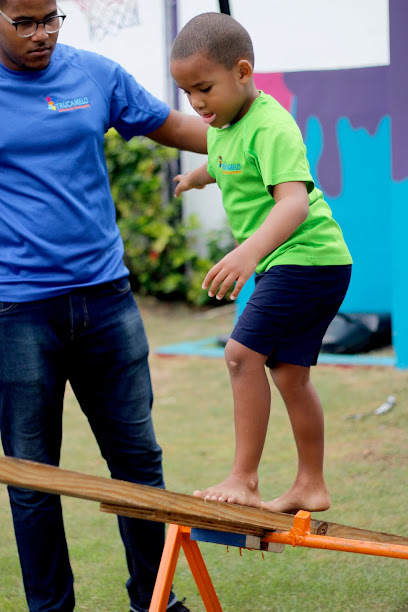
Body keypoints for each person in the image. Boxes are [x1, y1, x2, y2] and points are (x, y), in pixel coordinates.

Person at [0, 1, 208, 611]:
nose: (41, 34)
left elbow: (175, 125)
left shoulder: (94, 74)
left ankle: (154, 598)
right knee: (33, 479)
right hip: (18, 312)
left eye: (51, 18)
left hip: (106, 301)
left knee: (139, 463)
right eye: (24, 22)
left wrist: (256, 136)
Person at [171, 12, 352, 515]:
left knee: (239, 354)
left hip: (307, 258)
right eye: (186, 93)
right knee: (290, 376)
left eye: (204, 88)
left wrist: (249, 252)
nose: (196, 103)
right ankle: (310, 486)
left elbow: (293, 203)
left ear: (243, 71)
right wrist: (198, 178)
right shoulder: (224, 125)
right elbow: (226, 160)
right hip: (300, 263)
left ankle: (243, 478)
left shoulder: (271, 124)